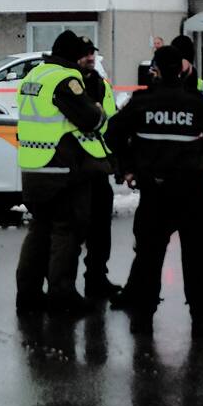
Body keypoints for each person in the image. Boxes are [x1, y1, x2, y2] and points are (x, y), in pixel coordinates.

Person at [107, 45, 203, 338]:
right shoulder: (199, 103)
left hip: (155, 192)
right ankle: (202, 319)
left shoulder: (141, 102)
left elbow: (112, 135)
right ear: (182, 68)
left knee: (149, 257)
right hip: (193, 192)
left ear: (157, 70)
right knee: (198, 259)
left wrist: (126, 168)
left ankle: (142, 317)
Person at [14, 31, 111, 317]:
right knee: (66, 233)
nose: (85, 60)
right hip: (62, 168)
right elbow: (90, 119)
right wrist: (97, 109)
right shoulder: (65, 79)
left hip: (34, 166)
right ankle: (62, 295)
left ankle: (28, 294)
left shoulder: (34, 75)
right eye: (81, 55)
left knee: (39, 232)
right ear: (71, 56)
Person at [81, 63, 122, 304]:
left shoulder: (100, 85)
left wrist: (116, 161)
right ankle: (63, 287)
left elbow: (112, 124)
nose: (89, 59)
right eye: (84, 55)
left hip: (100, 165)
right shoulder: (70, 85)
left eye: (91, 54)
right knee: (73, 233)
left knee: (100, 229)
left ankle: (97, 278)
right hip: (79, 167)